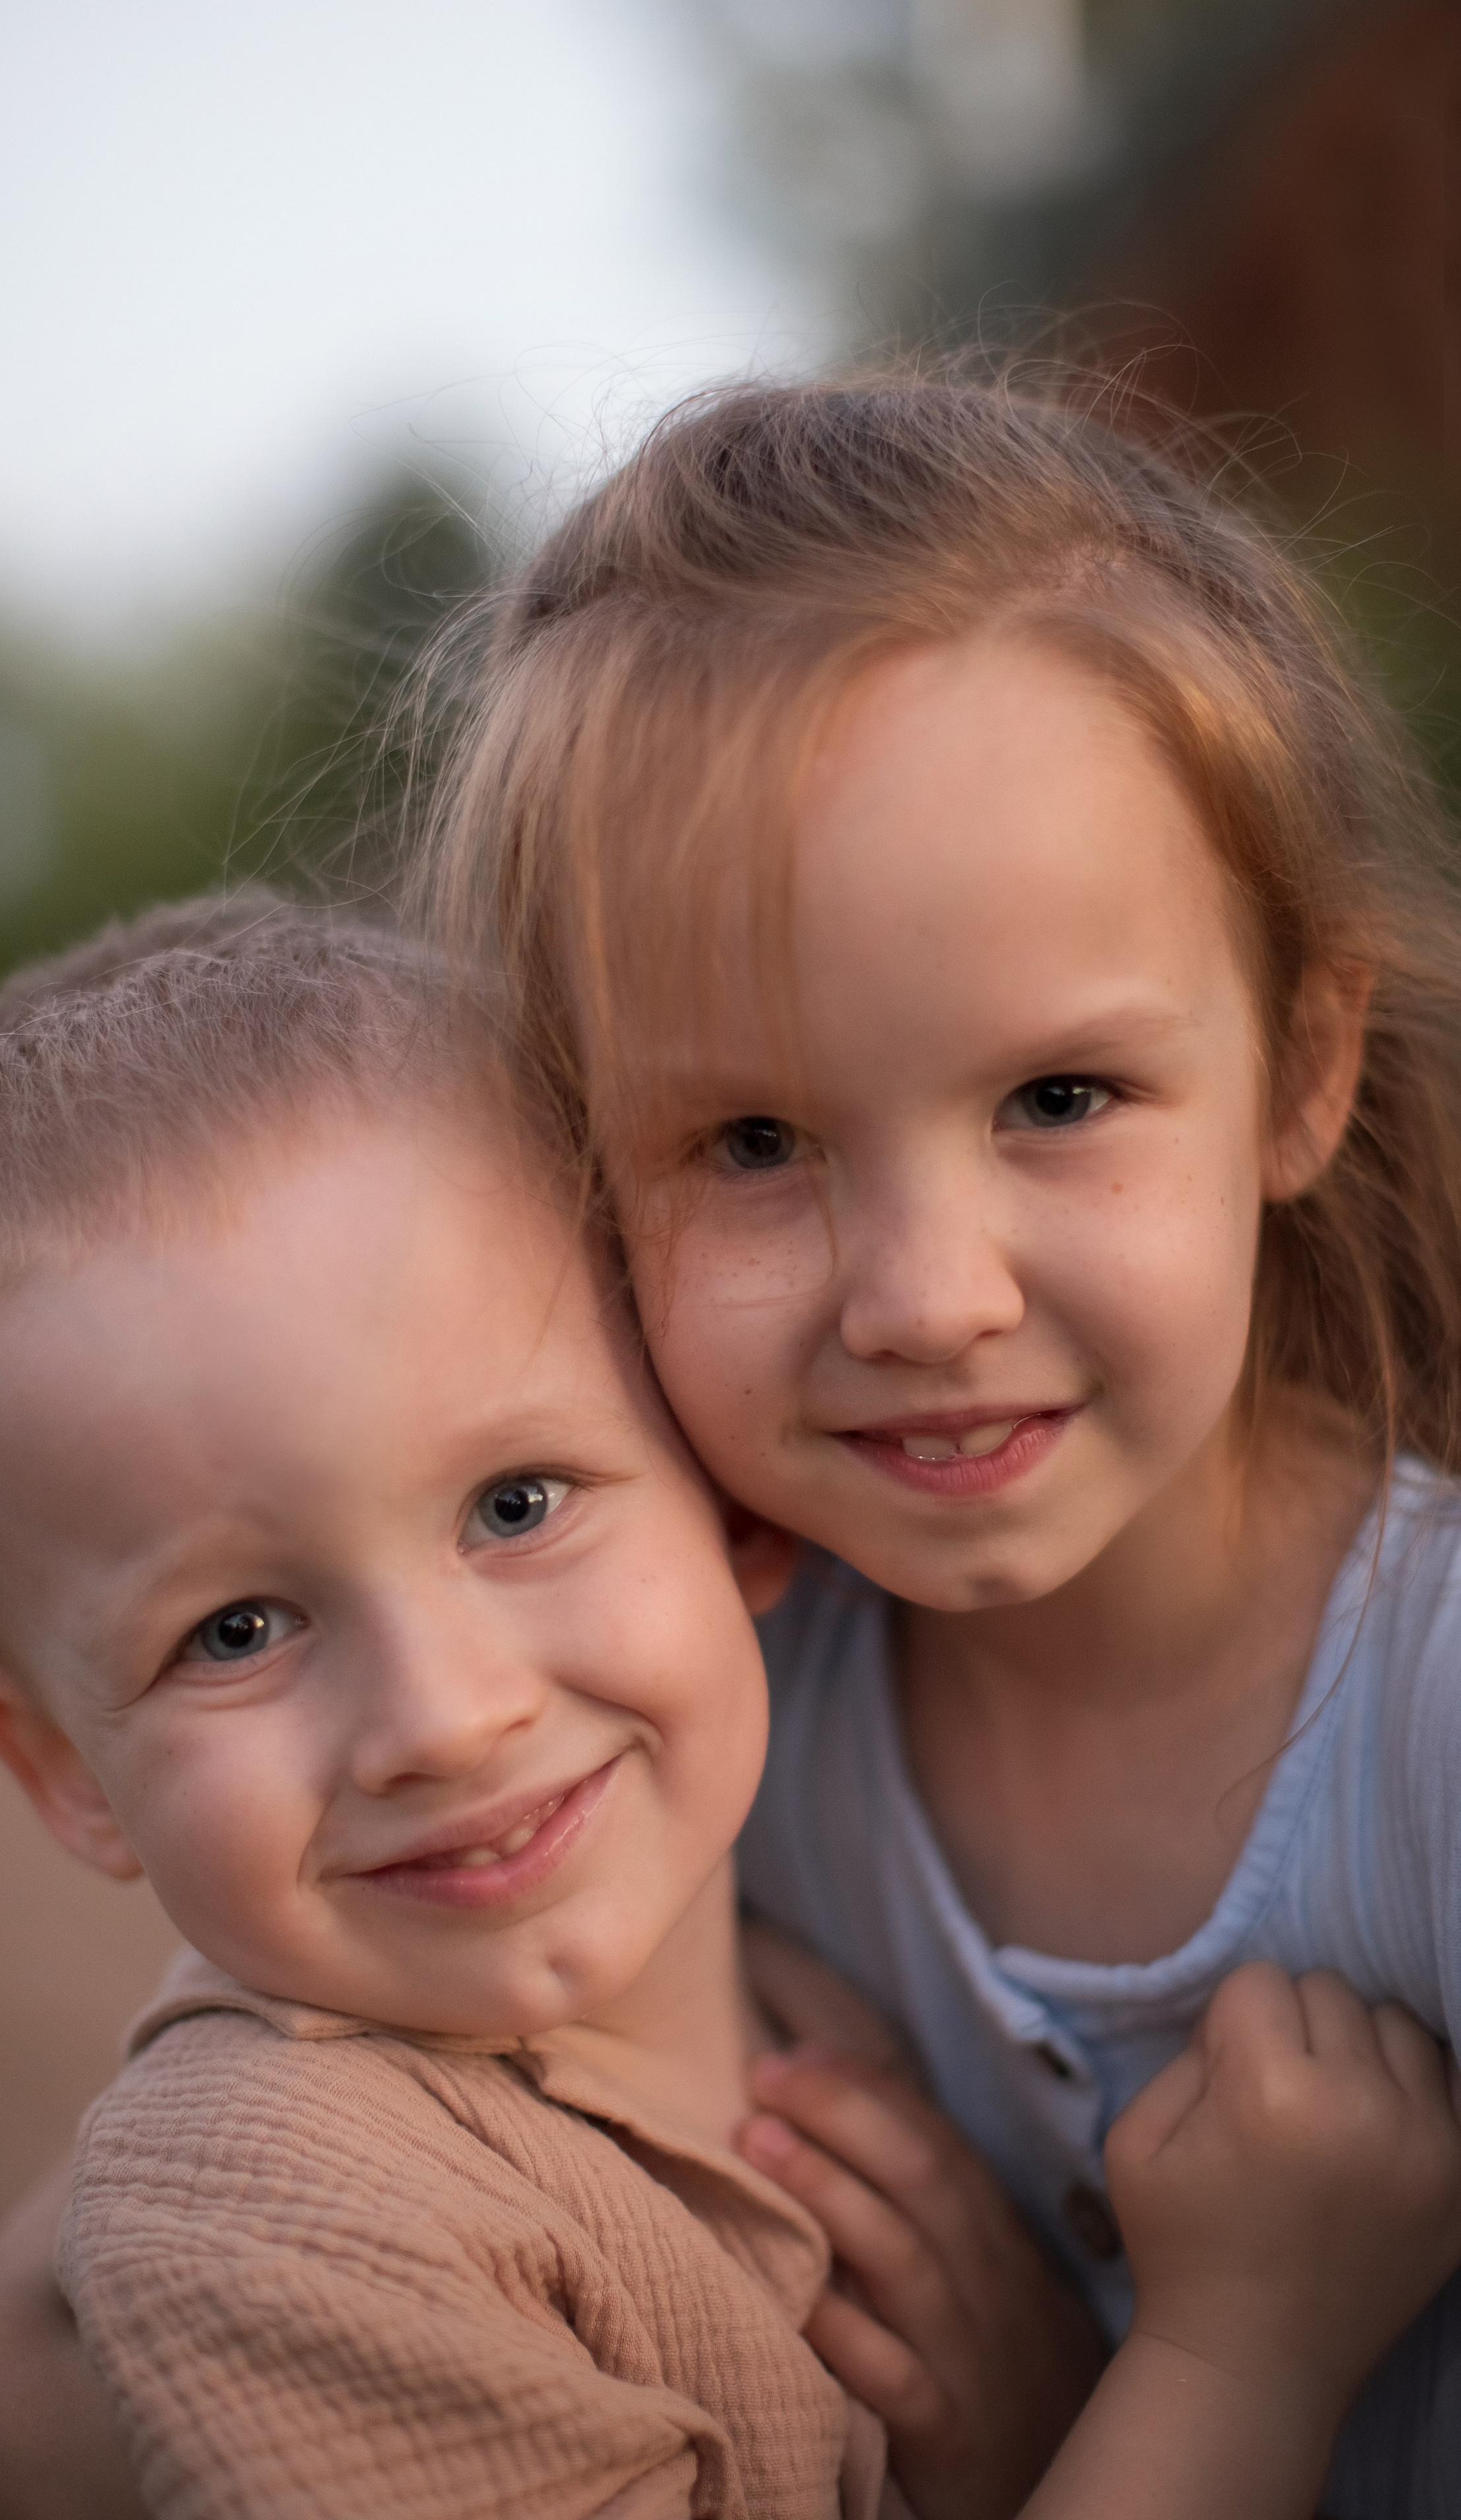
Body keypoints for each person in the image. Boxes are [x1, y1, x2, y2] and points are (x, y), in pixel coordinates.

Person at [0, 896, 1461, 2520]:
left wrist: (1035, 2431)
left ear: (726, 1499)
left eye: (516, 1505)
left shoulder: (788, 1971)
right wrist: (1231, 2359)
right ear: (58, 1766)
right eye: (238, 1628)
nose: (446, 1716)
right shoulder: (287, 2228)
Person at [417, 367, 1461, 2514]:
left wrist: (1218, 2368)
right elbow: (36, 2356)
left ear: (1300, 1064)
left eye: (1059, 1101)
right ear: (577, 1180)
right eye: (757, 1140)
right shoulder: (673, 1730)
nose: (924, 1297)